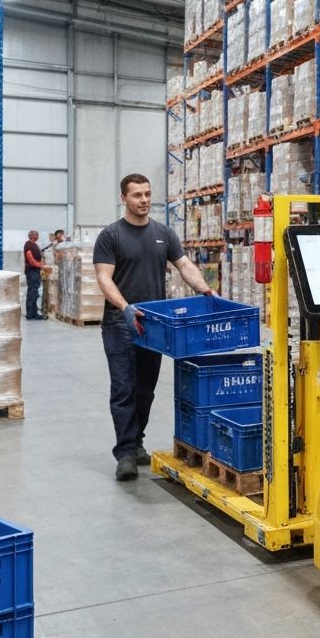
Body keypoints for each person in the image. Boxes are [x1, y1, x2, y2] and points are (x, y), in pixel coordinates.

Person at [94, 173, 214, 482]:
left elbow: (184, 265)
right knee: (123, 388)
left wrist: (206, 290)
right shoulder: (111, 236)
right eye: (137, 195)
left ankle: (136, 441)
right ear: (124, 198)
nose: (144, 200)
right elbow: (105, 278)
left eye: (147, 194)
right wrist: (125, 307)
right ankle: (124, 453)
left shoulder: (163, 233)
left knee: (145, 390)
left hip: (154, 325)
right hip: (121, 323)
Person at [23, 230, 44, 319]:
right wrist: (41, 266)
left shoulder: (34, 245)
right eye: (36, 235)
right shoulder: (29, 245)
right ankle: (31, 314)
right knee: (33, 291)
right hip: (32, 271)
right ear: (31, 236)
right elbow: (30, 258)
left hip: (35, 270)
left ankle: (33, 312)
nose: (37, 236)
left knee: (34, 292)